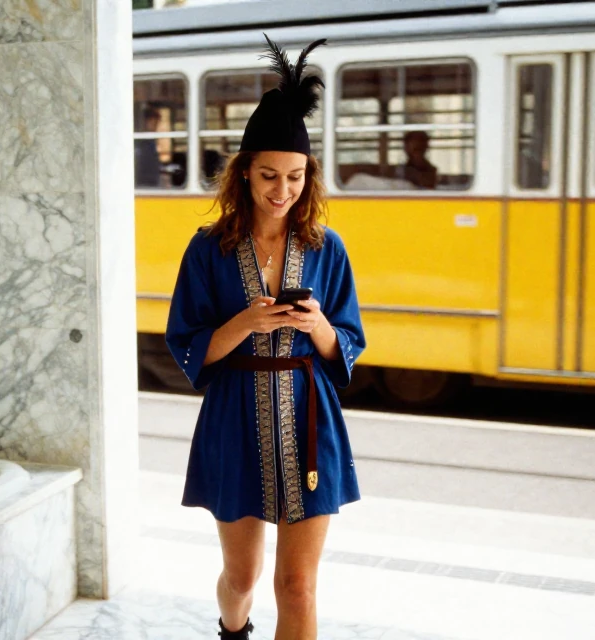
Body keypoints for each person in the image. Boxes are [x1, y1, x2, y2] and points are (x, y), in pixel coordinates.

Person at [164, 35, 365, 640]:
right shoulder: (209, 249)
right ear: (244, 172)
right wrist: (244, 323)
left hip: (310, 420)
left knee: (297, 588)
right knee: (244, 576)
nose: (283, 190)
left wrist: (321, 328)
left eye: (296, 177)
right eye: (270, 175)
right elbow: (187, 344)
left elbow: (348, 343)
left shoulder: (328, 249)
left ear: (310, 177)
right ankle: (233, 629)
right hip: (235, 419)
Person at [135, 107, 162, 187]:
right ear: (145, 122)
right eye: (153, 123)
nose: (155, 127)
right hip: (144, 184)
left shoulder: (151, 141)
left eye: (156, 123)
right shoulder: (141, 142)